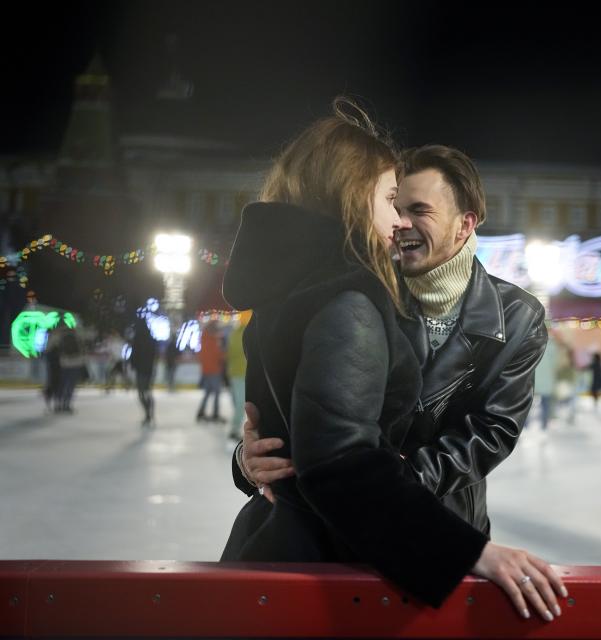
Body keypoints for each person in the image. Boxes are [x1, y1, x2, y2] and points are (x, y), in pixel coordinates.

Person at [219, 101, 565, 619]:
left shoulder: (512, 315)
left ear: (464, 223)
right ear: (355, 199)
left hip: (416, 532)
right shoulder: (354, 294)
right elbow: (327, 446)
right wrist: (251, 463)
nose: (402, 222)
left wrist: (394, 484)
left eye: (419, 210)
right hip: (347, 540)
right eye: (393, 201)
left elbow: (490, 429)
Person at [129, 317, 157, 427]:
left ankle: (147, 413)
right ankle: (150, 413)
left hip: (140, 370)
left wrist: (132, 365)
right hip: (149, 369)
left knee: (141, 393)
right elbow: (153, 355)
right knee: (147, 392)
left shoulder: (137, 339)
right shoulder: (151, 339)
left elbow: (134, 355)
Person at [225, 313, 249, 441]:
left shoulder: (236, 333)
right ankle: (234, 429)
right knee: (240, 403)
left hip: (240, 373)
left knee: (240, 403)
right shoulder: (240, 333)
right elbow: (236, 351)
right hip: (239, 373)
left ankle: (236, 428)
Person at [196, 322, 226, 423]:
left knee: (208, 392)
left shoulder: (203, 339)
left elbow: (202, 356)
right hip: (214, 370)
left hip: (206, 370)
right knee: (217, 392)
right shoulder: (213, 340)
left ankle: (201, 412)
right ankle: (215, 414)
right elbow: (218, 355)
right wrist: (223, 354)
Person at [57, 327, 85, 413]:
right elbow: (82, 352)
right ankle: (67, 405)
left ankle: (60, 405)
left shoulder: (61, 339)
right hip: (75, 364)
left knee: (63, 384)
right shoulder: (78, 339)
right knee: (71, 386)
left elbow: (58, 351)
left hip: (64, 364)